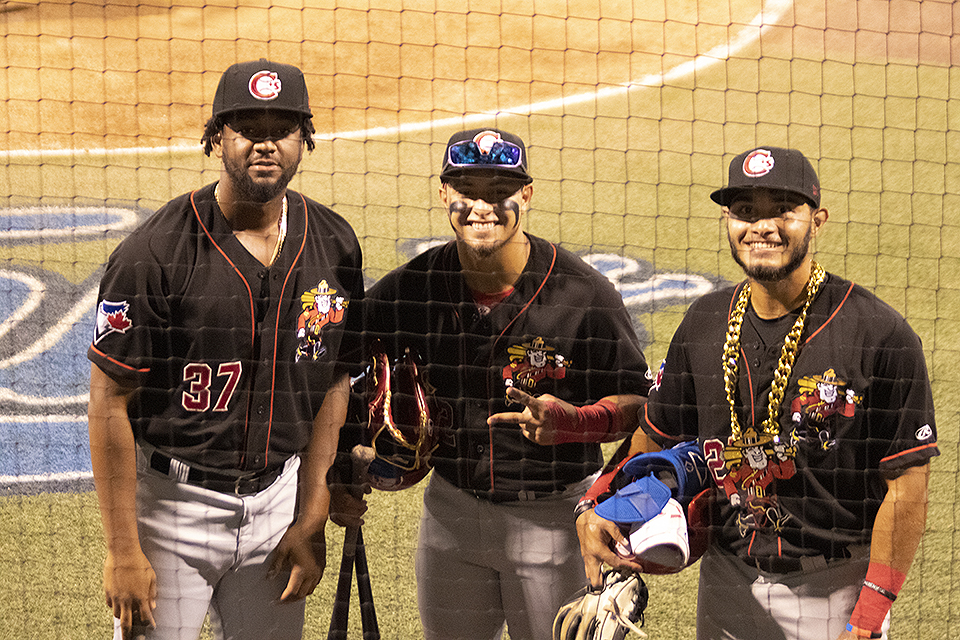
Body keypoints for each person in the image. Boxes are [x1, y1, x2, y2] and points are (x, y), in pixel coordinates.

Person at [575, 146, 938, 640]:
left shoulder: (879, 334)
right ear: (728, 220)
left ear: (817, 219)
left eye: (782, 210)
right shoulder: (704, 323)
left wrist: (871, 611)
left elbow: (907, 483)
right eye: (745, 211)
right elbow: (654, 435)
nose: (761, 226)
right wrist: (595, 502)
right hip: (727, 581)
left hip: (832, 589)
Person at [87, 59, 364, 640]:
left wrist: (311, 517)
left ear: (304, 141)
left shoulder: (335, 244)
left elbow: (334, 382)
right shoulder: (153, 254)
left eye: (282, 129)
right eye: (247, 128)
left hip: (278, 508)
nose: (266, 144)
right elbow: (109, 402)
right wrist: (122, 550)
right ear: (217, 138)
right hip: (171, 511)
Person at [357, 128, 651, 640]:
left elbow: (640, 405)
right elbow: (342, 365)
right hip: (450, 511)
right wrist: (350, 453)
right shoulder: (411, 288)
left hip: (554, 518)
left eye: (499, 192)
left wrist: (577, 423)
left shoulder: (585, 294)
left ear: (527, 196)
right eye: (468, 191)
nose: (482, 207)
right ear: (444, 193)